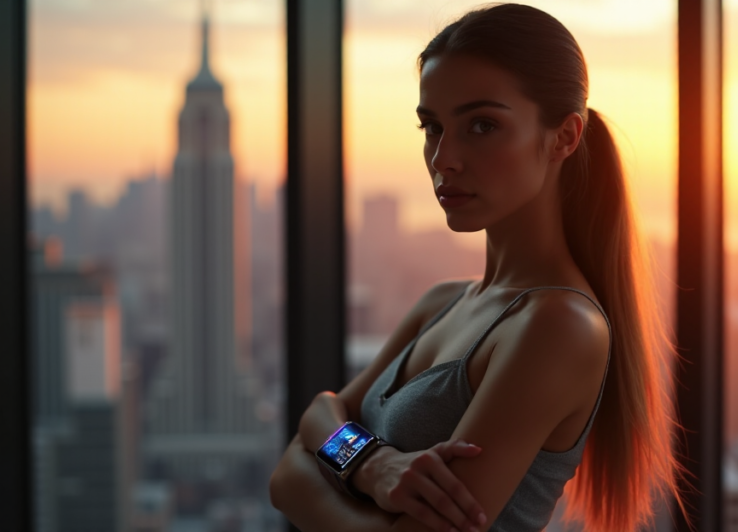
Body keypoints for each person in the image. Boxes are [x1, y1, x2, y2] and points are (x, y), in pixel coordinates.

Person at [269, 4, 687, 531]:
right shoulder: (442, 302)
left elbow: (302, 462)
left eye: (481, 125)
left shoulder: (558, 325)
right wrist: (371, 466)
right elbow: (310, 427)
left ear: (563, 137)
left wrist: (327, 469)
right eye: (433, 127)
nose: (444, 157)